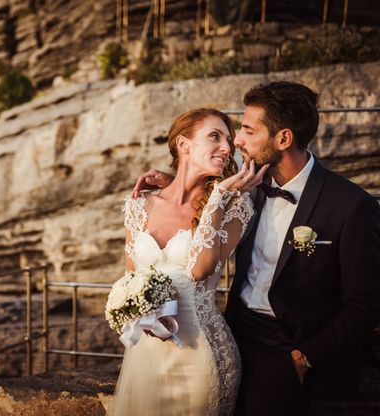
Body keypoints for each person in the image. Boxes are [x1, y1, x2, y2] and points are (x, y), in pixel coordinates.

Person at [132, 81, 380, 416]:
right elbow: (208, 182)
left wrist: (304, 359)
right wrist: (175, 182)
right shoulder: (249, 188)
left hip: (289, 351)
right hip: (231, 335)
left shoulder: (351, 206)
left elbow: (365, 306)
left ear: (283, 139)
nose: (237, 141)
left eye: (248, 130)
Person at [109, 108, 267, 416]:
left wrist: (218, 197)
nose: (227, 147)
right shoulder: (139, 205)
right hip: (145, 357)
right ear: (183, 145)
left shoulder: (235, 206)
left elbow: (199, 270)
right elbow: (130, 279)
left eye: (229, 140)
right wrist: (135, 310)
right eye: (215, 136)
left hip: (200, 357)